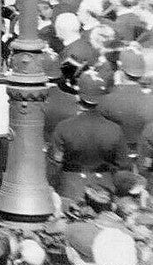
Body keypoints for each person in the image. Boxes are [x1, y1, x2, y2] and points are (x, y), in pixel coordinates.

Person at [49, 68, 125, 202]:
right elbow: (123, 164)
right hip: (104, 188)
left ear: (79, 95)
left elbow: (55, 164)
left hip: (70, 187)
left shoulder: (64, 127)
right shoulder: (115, 129)